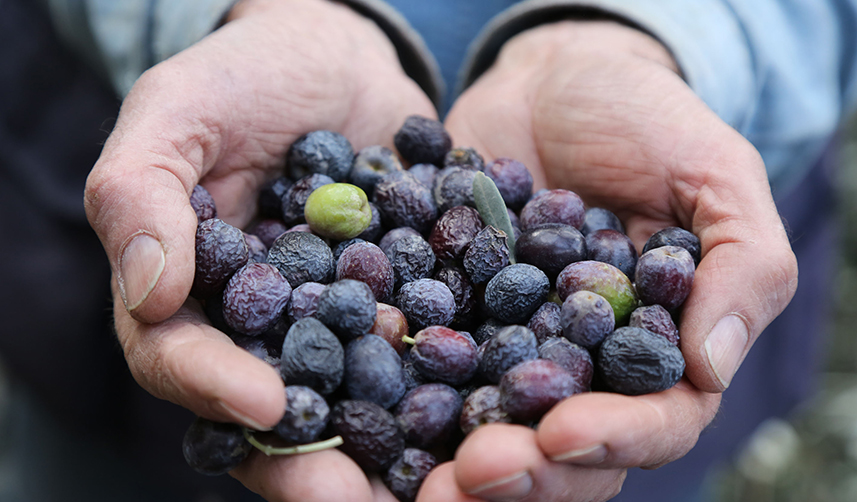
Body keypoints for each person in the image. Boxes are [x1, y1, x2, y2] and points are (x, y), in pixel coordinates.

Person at [2, 0, 852, 500]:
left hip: (583, 439)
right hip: (79, 265)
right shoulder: (329, 235)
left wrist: (664, 33)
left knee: (584, 459)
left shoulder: (553, 271)